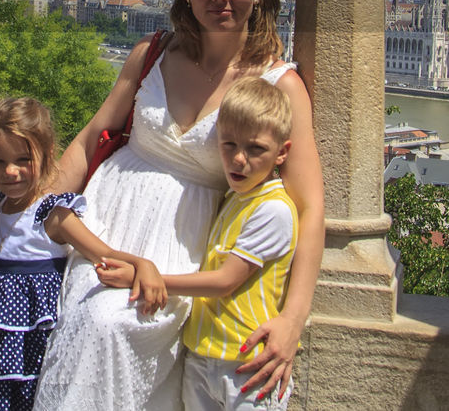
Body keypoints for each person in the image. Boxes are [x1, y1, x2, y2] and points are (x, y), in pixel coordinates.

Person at [32, 0, 324, 410]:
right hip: (105, 222)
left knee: (117, 330)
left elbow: (309, 209)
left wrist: (293, 321)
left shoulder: (279, 84)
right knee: (90, 328)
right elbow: (90, 138)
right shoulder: (152, 53)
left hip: (183, 246)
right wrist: (46, 207)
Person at [0, 97, 166, 411]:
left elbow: (105, 255)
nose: (10, 171)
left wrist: (143, 265)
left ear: (47, 154)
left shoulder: (52, 214)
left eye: (23, 159)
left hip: (31, 352)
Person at [96, 77, 299, 410]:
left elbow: (224, 281)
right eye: (228, 145)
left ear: (282, 152)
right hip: (205, 354)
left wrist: (147, 279)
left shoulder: (273, 209)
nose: (238, 160)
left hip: (246, 362)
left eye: (255, 149)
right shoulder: (236, 198)